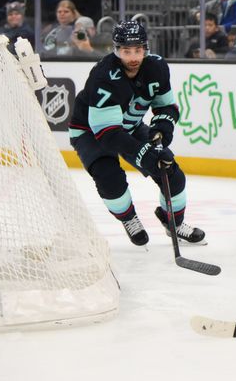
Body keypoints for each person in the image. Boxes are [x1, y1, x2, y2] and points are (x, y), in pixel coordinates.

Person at [68, 20, 205, 245]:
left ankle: (174, 222)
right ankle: (129, 218)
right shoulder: (104, 75)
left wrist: (161, 130)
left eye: (138, 50)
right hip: (91, 132)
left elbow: (166, 107)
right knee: (109, 178)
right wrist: (143, 152)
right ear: (116, 50)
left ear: (145, 49)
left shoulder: (157, 68)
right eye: (126, 51)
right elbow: (108, 133)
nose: (133, 57)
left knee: (170, 171)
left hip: (129, 127)